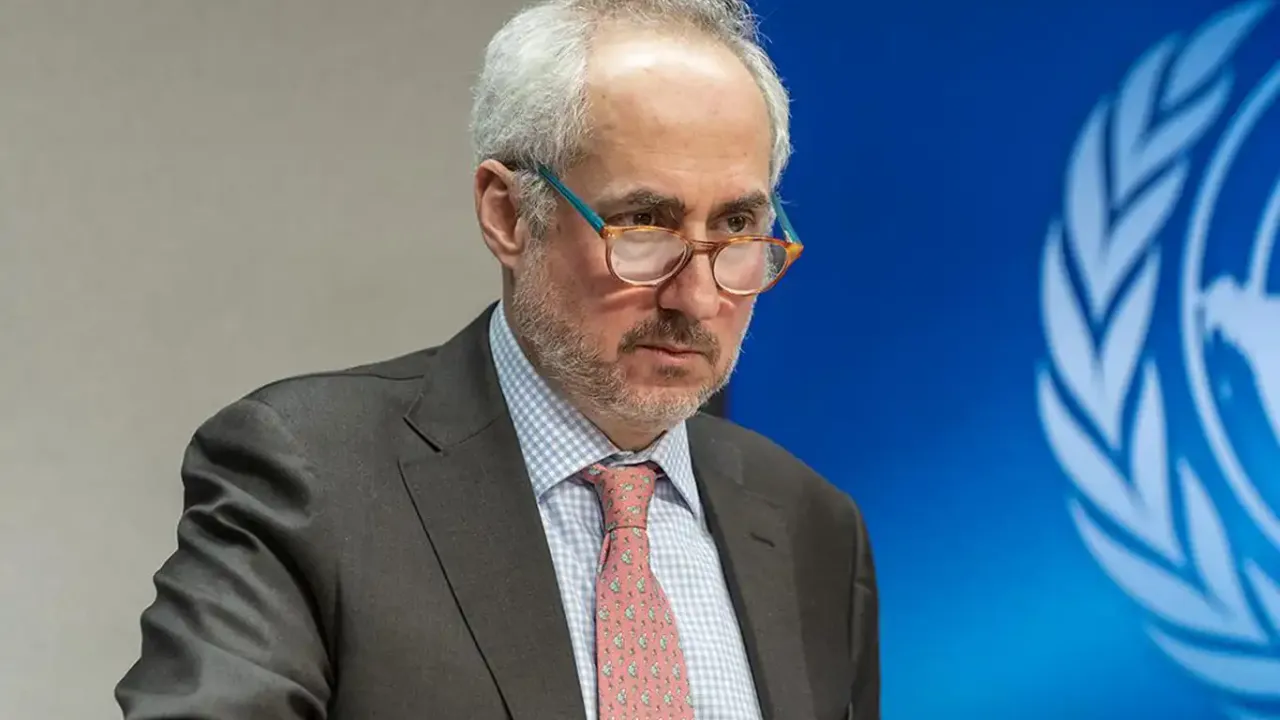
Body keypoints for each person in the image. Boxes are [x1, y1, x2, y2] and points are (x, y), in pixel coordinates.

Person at [115, 0, 880, 718]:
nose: (697, 295)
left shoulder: (813, 529)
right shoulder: (309, 477)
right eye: (644, 224)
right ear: (509, 214)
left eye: (737, 227)